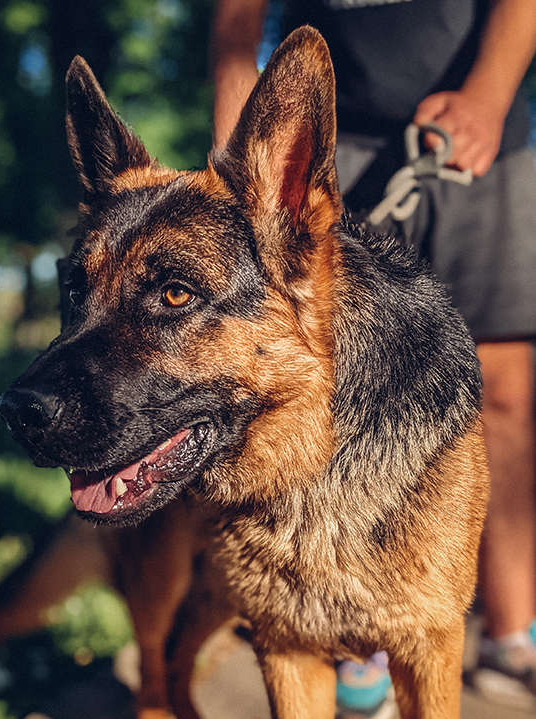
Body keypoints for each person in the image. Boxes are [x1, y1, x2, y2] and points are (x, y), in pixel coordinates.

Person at [210, 0, 536, 716]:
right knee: (337, 377)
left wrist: (490, 91)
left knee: (505, 389)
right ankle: (349, 631)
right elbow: (237, 20)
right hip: (337, 131)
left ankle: (511, 630)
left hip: (488, 125)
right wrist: (234, 166)